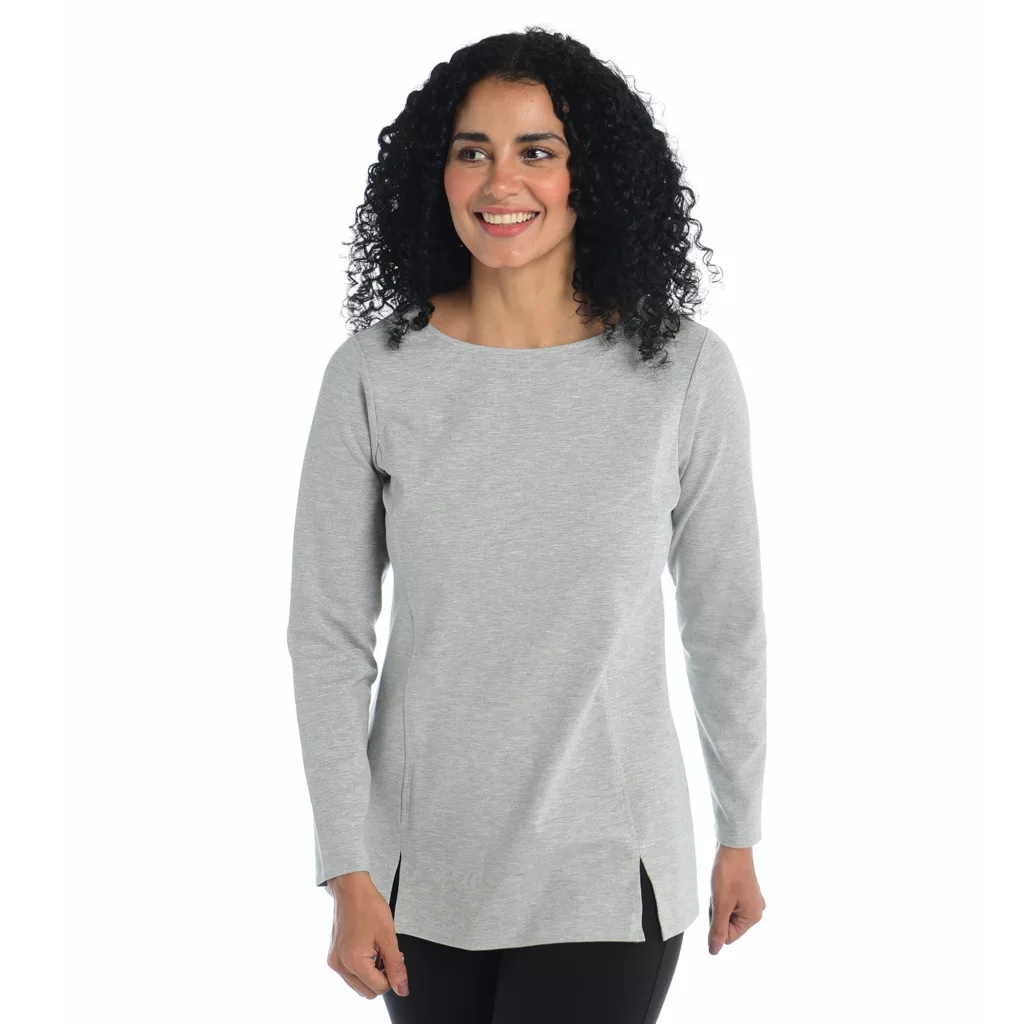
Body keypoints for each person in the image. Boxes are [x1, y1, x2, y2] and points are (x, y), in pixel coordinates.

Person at [286, 26, 767, 1024]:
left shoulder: (682, 373)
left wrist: (739, 831)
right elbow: (328, 634)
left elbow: (724, 621)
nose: (501, 182)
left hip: (610, 876)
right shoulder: (374, 373)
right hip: (418, 879)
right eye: (473, 150)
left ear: (592, 172)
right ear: (437, 173)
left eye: (537, 150)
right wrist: (347, 867)